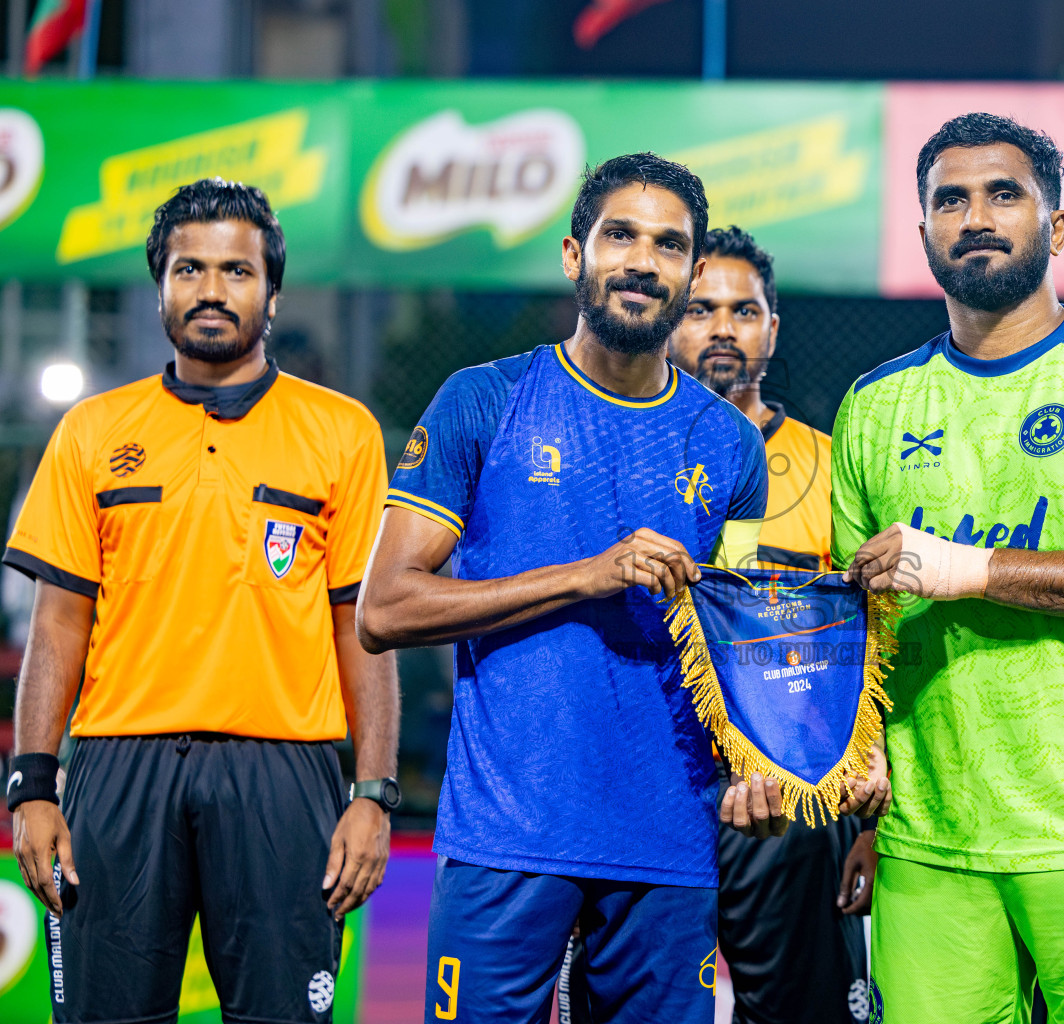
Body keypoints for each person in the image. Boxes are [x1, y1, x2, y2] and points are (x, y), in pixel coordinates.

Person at [358, 154, 888, 1024]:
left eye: (671, 245)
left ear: (688, 273)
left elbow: (738, 641)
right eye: (622, 236)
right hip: (508, 838)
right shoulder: (484, 400)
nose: (644, 261)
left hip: (670, 846)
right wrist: (587, 575)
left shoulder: (729, 449)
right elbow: (386, 609)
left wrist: (757, 774)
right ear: (575, 255)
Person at [833, 112, 1064, 1024]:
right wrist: (862, 795)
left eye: (1004, 194)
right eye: (950, 199)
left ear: (1055, 228)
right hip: (928, 844)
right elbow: (854, 631)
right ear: (922, 228)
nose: (976, 216)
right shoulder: (873, 404)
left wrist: (967, 570)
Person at [2, 178, 398, 1024]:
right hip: (117, 767)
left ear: (272, 291)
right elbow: (59, 621)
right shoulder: (92, 431)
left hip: (284, 771)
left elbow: (362, 631)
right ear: (161, 287)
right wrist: (32, 785)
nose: (212, 290)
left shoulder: (344, 433)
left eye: (236, 271)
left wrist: (373, 794)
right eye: (189, 269)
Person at [668, 225, 875, 1023]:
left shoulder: (830, 467)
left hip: (793, 806)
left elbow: (871, 649)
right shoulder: (632, 455)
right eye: (700, 308)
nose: (723, 328)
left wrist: (868, 822)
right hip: (654, 795)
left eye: (744, 311)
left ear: (772, 329)